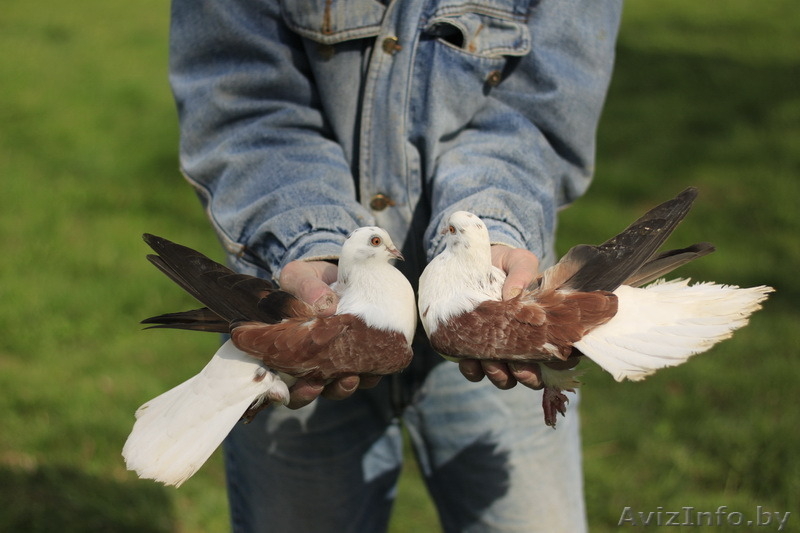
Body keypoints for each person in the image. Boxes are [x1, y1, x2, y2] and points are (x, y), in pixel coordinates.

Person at [168, 0, 622, 531]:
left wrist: (490, 236)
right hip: (305, 294)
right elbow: (245, 105)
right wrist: (310, 241)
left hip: (494, 308)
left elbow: (543, 111)